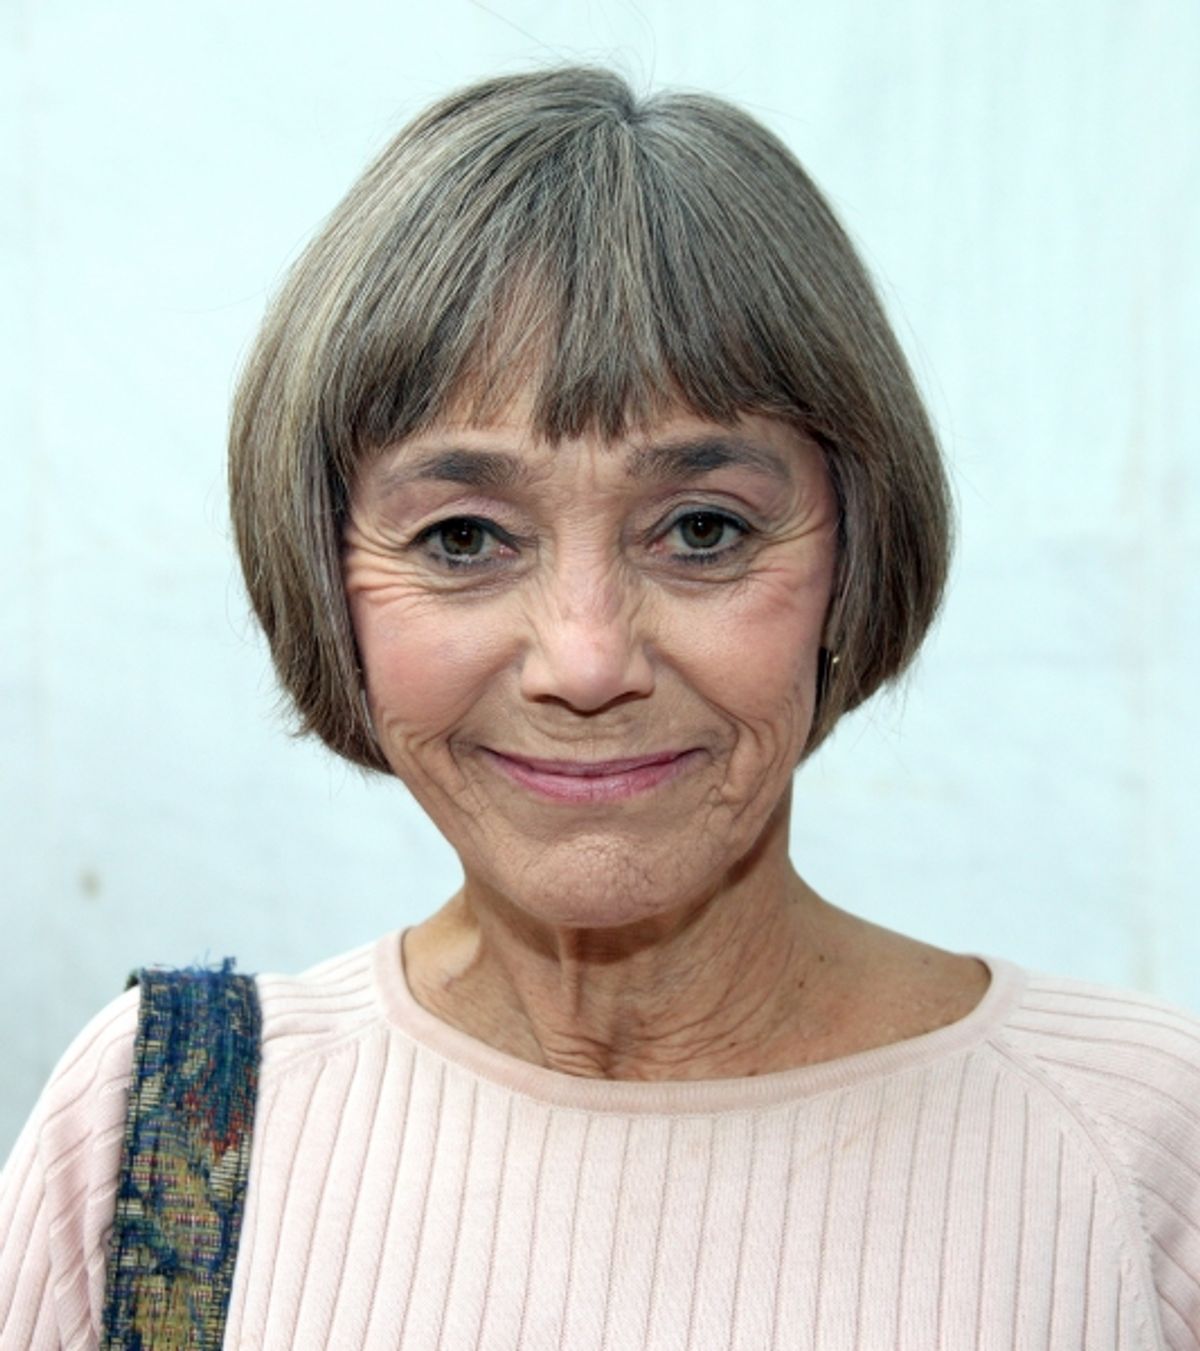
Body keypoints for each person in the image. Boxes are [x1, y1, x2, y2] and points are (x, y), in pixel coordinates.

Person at [2, 65, 1199, 1350]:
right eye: (464, 536)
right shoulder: (164, 1137)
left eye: (701, 528)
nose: (584, 660)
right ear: (323, 575)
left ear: (857, 556)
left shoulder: (1143, 1155)